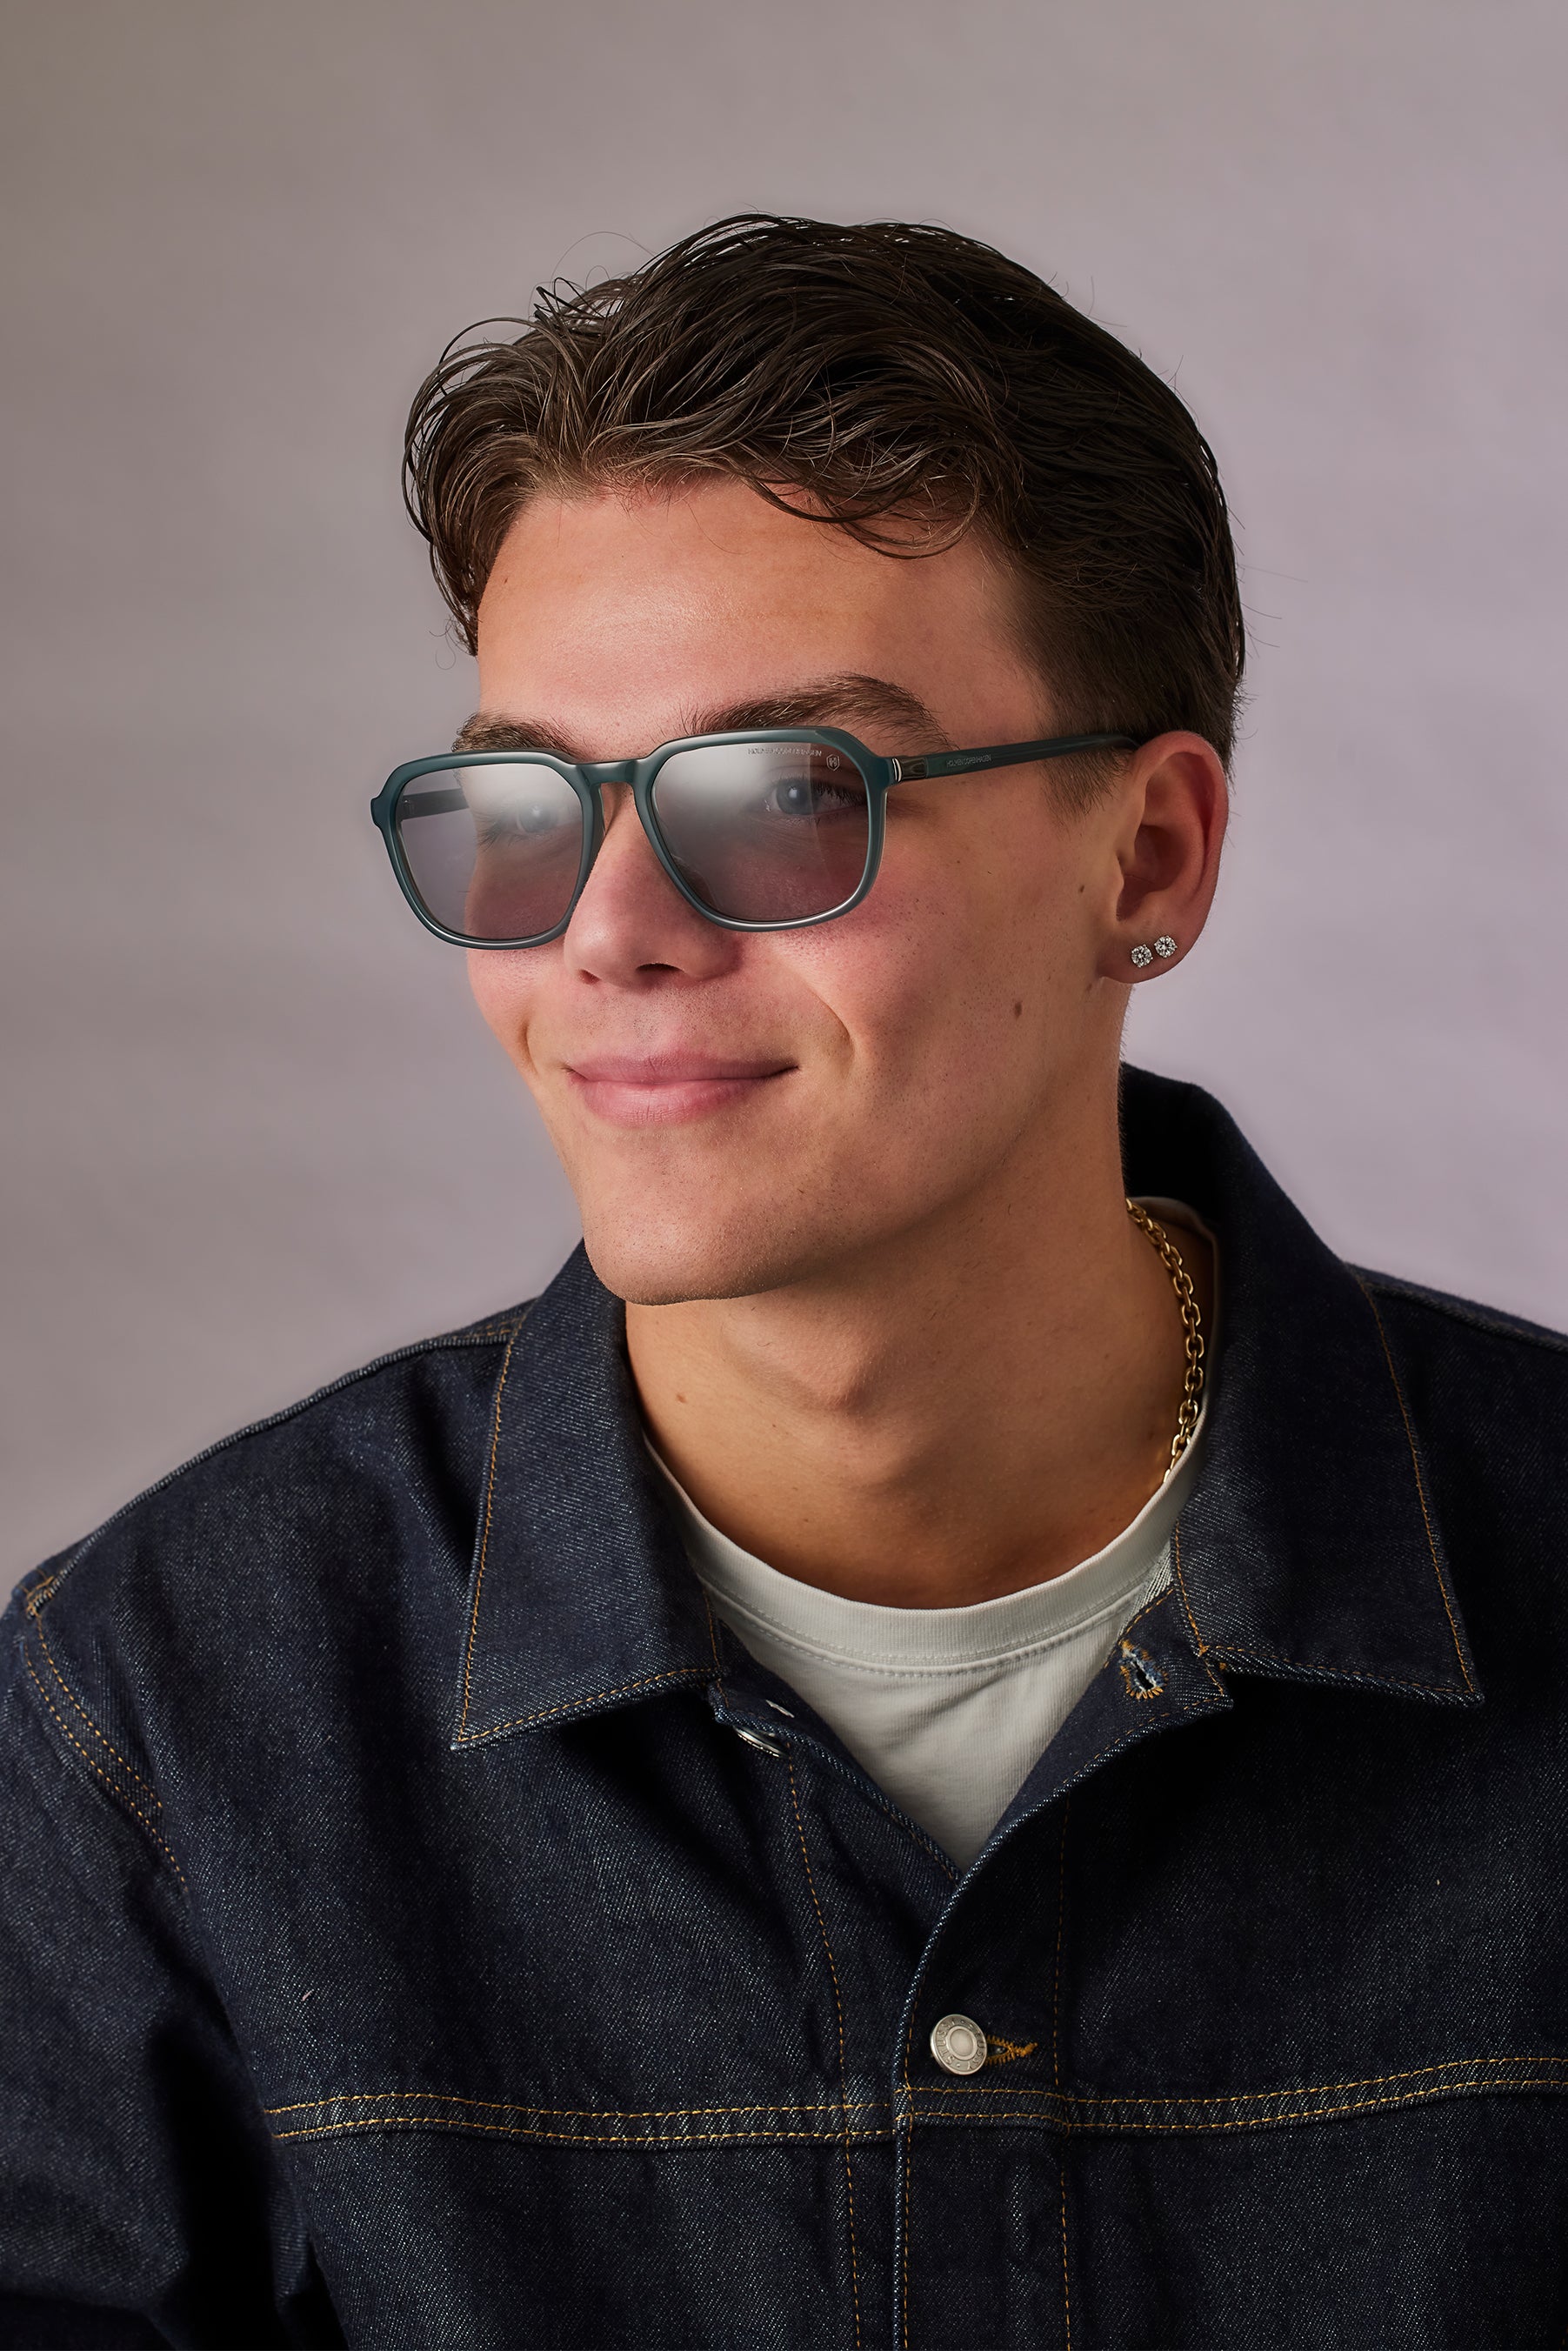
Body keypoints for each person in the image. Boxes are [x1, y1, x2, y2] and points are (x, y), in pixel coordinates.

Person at [3, 215, 1564, 2351]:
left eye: (783, 794)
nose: (607, 931)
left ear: (1148, 856)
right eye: (523, 802)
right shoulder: (161, 1710)